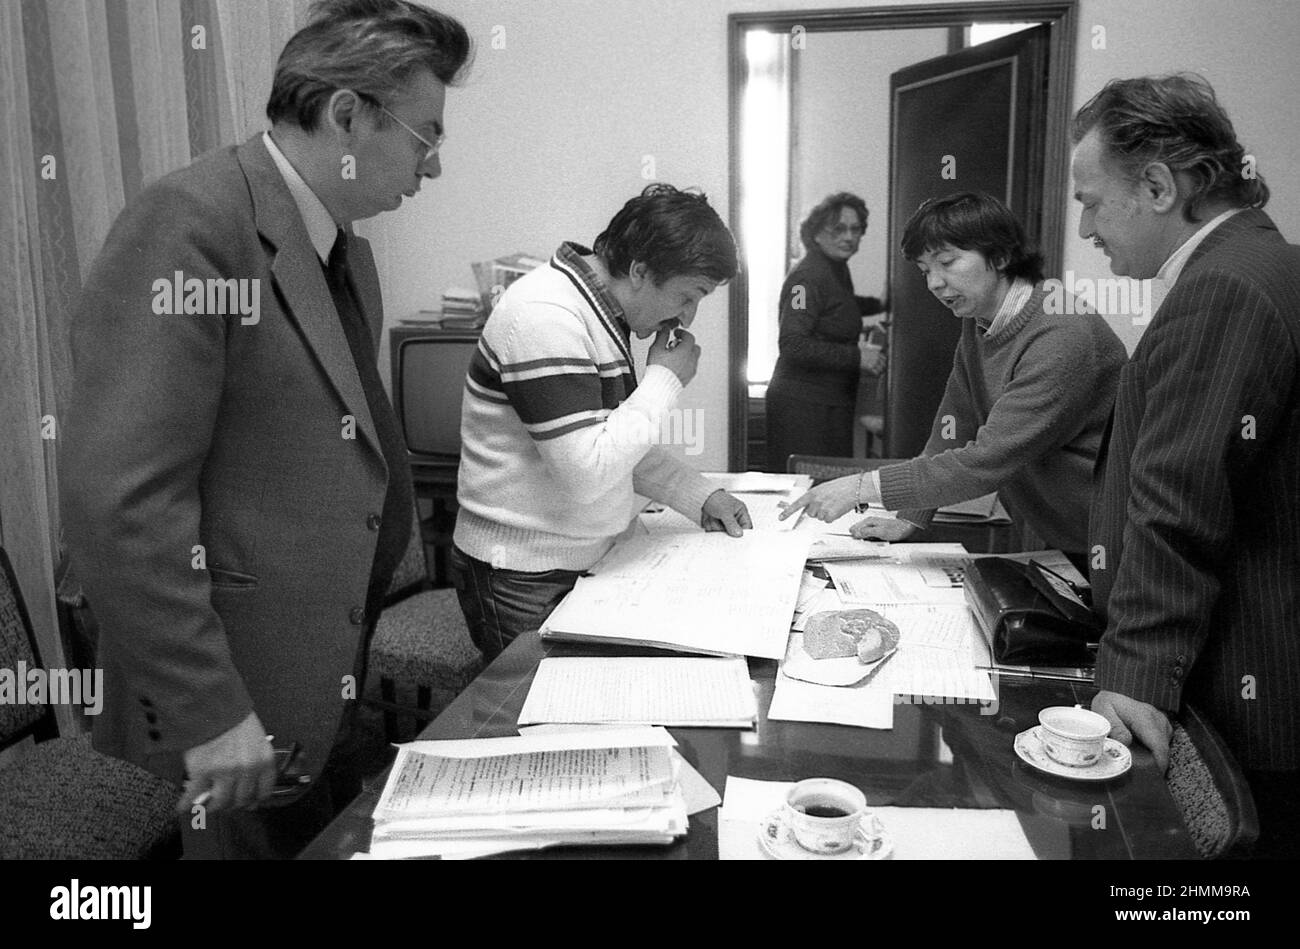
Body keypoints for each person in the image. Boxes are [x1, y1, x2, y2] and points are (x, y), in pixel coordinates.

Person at [60, 0, 471, 858]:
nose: (434, 167)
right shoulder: (191, 225)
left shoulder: (345, 251)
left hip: (315, 685)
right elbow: (124, 501)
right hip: (218, 715)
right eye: (426, 137)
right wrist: (208, 711)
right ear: (347, 112)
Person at [1072, 74, 1299, 858]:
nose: (1085, 225)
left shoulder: (1224, 289)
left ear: (1159, 186)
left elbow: (1183, 503)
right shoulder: (1261, 264)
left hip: (1246, 690)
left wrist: (1133, 672)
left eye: (1093, 201)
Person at [452, 184, 751, 662]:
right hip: (526, 573)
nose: (688, 316)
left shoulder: (595, 311)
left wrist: (698, 494)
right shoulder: (545, 317)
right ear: (640, 271)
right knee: (541, 725)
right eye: (688, 296)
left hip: (575, 557)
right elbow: (585, 473)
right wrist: (664, 382)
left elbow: (611, 443)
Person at [781, 191, 1126, 567]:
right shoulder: (980, 322)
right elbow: (953, 427)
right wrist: (911, 515)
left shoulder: (1061, 332)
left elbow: (986, 460)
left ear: (1000, 256)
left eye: (947, 262)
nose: (934, 283)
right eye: (925, 270)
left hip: (1116, 538)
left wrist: (861, 486)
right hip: (1069, 531)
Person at [766, 192, 888, 472]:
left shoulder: (834, 269)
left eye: (855, 229)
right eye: (838, 229)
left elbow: (838, 307)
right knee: (805, 491)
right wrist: (857, 357)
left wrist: (879, 304)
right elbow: (793, 344)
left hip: (829, 403)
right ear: (817, 233)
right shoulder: (806, 278)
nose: (848, 237)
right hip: (803, 408)